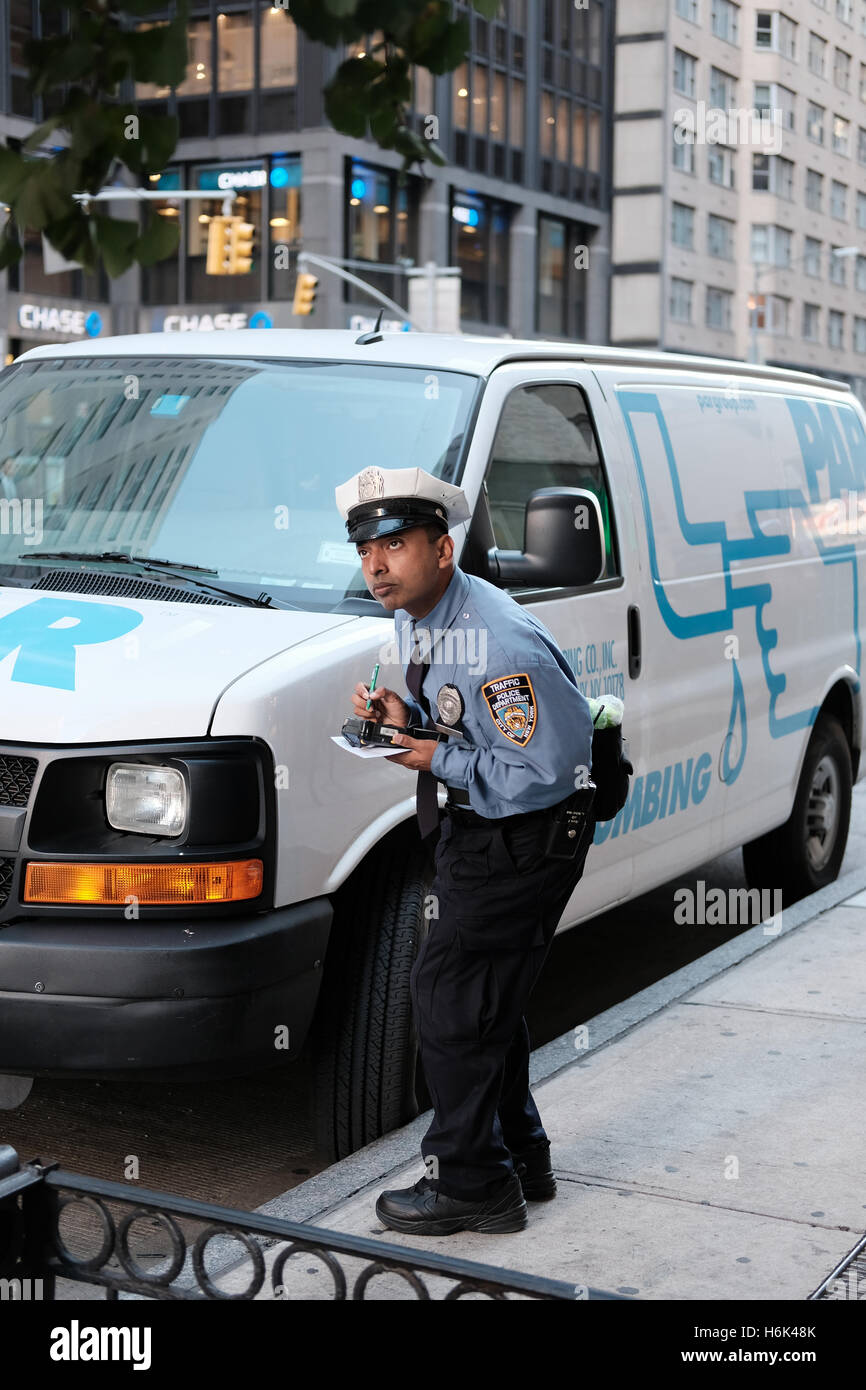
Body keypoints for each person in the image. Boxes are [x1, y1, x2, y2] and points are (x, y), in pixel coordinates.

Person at [335, 464, 595, 1236]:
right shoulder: (421, 613)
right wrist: (401, 715)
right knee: (484, 1001)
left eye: (394, 545)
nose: (375, 565)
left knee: (448, 998)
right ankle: (519, 1155)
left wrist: (432, 759)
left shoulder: (500, 644)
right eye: (364, 550)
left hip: (525, 834)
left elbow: (546, 773)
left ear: (442, 550)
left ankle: (472, 1182)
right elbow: (453, 714)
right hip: (482, 826)